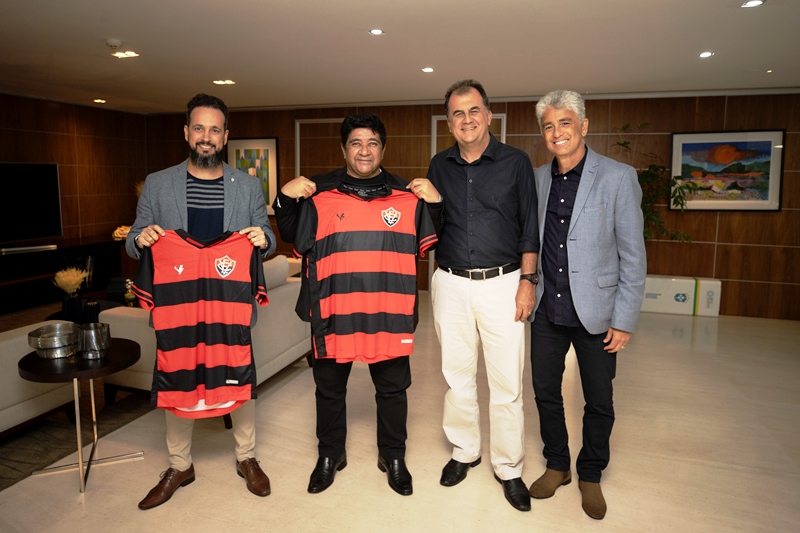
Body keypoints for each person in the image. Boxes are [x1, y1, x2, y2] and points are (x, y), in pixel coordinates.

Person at [272, 113, 439, 496]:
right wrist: (283, 196)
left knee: (393, 391)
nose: (364, 150)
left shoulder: (407, 197)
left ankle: (393, 456)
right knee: (329, 390)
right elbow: (291, 233)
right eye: (356, 143)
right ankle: (330, 455)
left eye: (372, 143)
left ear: (383, 148)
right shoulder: (319, 196)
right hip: (333, 310)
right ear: (344, 149)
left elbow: (437, 236)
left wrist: (437, 202)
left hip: (389, 312)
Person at [127, 93, 276, 510]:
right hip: (180, 303)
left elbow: (266, 235)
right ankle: (180, 465)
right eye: (199, 128)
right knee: (179, 374)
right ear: (186, 133)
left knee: (238, 374)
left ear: (225, 136)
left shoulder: (248, 185)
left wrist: (263, 240)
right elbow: (134, 237)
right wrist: (142, 239)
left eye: (214, 129)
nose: (206, 137)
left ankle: (246, 457)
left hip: (230, 302)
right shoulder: (158, 183)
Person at [528, 90, 646, 520]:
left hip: (597, 311)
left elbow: (633, 255)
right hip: (547, 308)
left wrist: (624, 319)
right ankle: (557, 463)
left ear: (583, 126)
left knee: (599, 399)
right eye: (548, 126)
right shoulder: (537, 179)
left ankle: (591, 472)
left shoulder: (618, 177)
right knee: (545, 392)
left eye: (564, 123)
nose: (556, 132)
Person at [426, 79, 539, 512]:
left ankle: (508, 467)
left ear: (489, 115)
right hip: (450, 282)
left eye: (474, 110)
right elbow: (432, 223)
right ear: (449, 122)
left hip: (504, 284)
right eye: (457, 113)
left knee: (506, 382)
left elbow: (529, 227)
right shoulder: (439, 165)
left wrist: (528, 282)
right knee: (457, 376)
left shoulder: (516, 162)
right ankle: (465, 450)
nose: (467, 119)